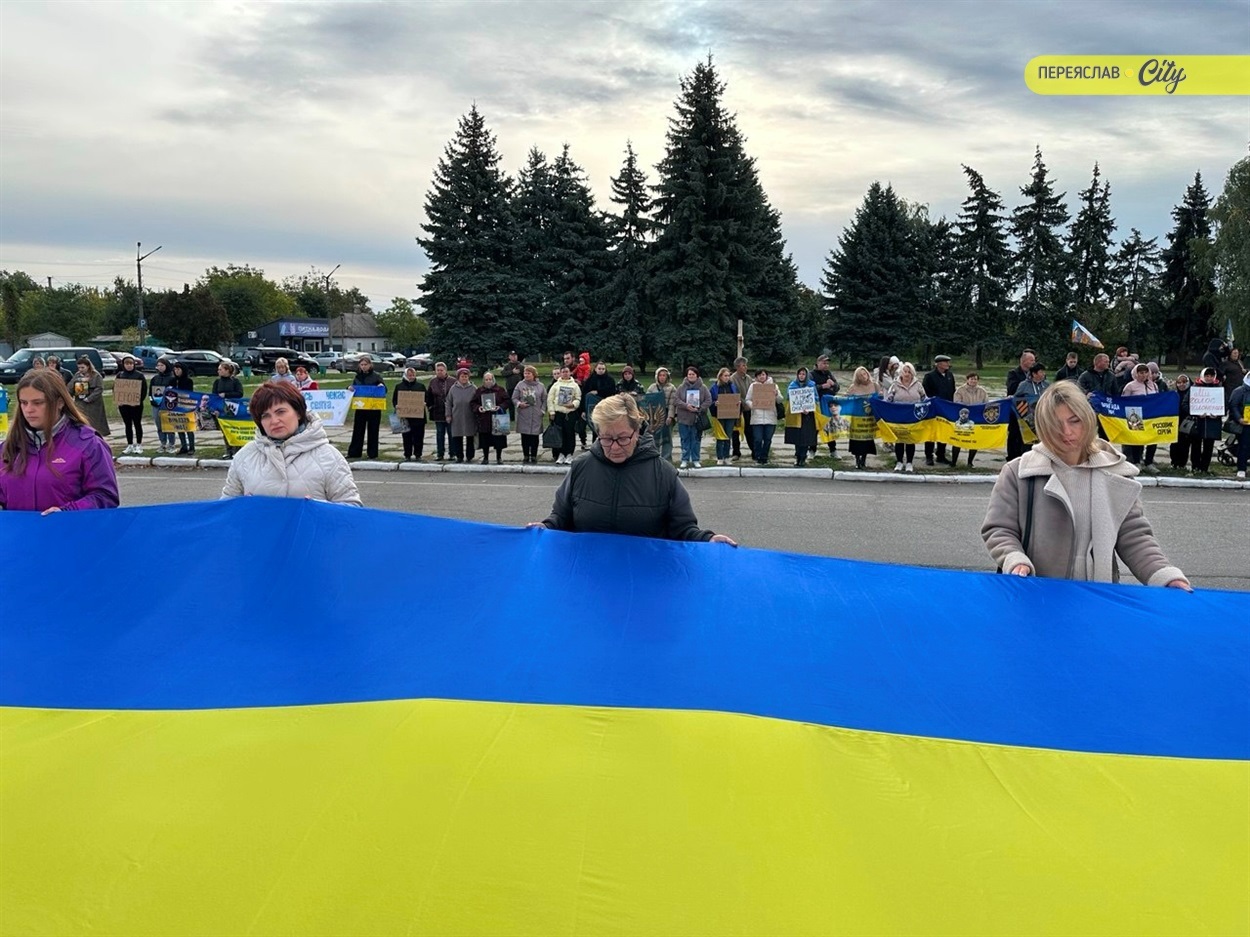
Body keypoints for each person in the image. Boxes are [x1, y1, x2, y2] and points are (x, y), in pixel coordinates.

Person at [981, 381, 1190, 589]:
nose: (1066, 432)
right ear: (1043, 427)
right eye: (1055, 424)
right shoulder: (1018, 472)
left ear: (1088, 419)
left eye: (1074, 421)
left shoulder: (1116, 473)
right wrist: (1015, 559)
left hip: (1097, 599)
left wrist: (1165, 575)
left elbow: (1135, 537)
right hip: (1036, 594)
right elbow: (999, 529)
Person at [528, 392, 736, 544]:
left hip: (643, 581)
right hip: (588, 578)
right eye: (607, 439)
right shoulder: (581, 466)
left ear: (637, 431)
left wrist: (708, 540)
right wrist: (545, 527)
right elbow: (560, 518)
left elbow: (683, 529)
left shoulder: (663, 473)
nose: (615, 447)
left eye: (623, 438)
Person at [221, 381, 360, 505]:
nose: (274, 421)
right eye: (266, 416)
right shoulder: (244, 457)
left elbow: (352, 511)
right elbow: (225, 509)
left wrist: (318, 510)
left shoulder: (329, 457)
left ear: (298, 412)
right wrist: (243, 508)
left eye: (280, 412)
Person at [0, 369, 119, 513]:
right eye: (23, 403)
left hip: (67, 533)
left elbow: (106, 496)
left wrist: (67, 512)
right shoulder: (8, 448)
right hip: (20, 534)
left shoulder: (88, 444)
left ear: (60, 403)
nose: (29, 410)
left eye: (38, 403)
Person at [885, 361, 924, 472]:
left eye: (909, 372)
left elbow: (924, 398)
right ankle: (899, 462)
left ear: (913, 373)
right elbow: (889, 399)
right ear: (901, 373)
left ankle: (909, 463)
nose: (907, 374)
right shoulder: (895, 385)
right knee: (900, 440)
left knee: (910, 441)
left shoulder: (918, 385)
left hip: (913, 418)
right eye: (905, 372)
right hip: (898, 417)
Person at [1120, 362, 1159, 472]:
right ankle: (1137, 461)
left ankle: (1149, 462)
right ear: (1136, 374)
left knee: (1153, 440)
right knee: (1138, 440)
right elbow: (1124, 401)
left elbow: (1157, 400)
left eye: (1146, 372)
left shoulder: (1153, 385)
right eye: (1141, 373)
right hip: (1136, 416)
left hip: (1151, 416)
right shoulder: (1130, 386)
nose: (1144, 375)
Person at [347, 354, 385, 460]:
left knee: (373, 431)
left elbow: (384, 389)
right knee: (358, 430)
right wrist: (349, 388)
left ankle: (372, 453)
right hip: (361, 407)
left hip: (373, 408)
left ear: (370, 365)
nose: (363, 366)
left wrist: (381, 386)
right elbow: (353, 387)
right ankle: (354, 452)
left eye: (365, 364)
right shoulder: (357, 377)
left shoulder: (376, 376)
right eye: (362, 364)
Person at [1188, 368, 1224, 475]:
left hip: (1212, 423)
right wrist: (1195, 412)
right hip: (1198, 422)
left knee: (1209, 447)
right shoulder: (1195, 387)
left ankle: (1204, 468)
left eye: (1211, 376)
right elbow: (1186, 404)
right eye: (1207, 376)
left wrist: (1218, 413)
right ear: (1203, 376)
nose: (1209, 378)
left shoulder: (1219, 388)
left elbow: (1224, 404)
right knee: (1196, 446)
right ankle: (1195, 467)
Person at [949, 371, 988, 468]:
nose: (973, 381)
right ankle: (953, 462)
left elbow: (986, 404)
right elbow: (956, 403)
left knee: (974, 442)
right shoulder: (960, 390)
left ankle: (970, 462)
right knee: (958, 440)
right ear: (967, 380)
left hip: (976, 420)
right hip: (962, 419)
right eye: (971, 379)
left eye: (975, 379)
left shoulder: (982, 391)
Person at [675, 365, 711, 469]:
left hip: (697, 419)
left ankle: (696, 459)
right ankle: (685, 459)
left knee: (696, 440)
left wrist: (700, 408)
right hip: (684, 418)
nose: (691, 376)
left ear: (697, 375)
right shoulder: (681, 388)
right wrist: (686, 406)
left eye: (693, 374)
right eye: (689, 374)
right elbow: (676, 400)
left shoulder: (703, 388)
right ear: (686, 375)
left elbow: (708, 400)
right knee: (684, 439)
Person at [922, 354, 955, 465]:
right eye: (945, 362)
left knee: (943, 433)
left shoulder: (950, 375)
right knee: (931, 433)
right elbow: (926, 392)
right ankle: (929, 455)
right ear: (939, 364)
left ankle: (941, 455)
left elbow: (952, 391)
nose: (948, 364)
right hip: (933, 409)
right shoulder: (929, 376)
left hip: (945, 409)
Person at [511, 365, 547, 464]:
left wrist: (542, 411)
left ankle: (534, 455)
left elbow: (545, 400)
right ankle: (526, 455)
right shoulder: (520, 385)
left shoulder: (540, 386)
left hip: (536, 414)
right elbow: (514, 398)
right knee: (525, 436)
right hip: (524, 414)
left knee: (534, 437)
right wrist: (519, 404)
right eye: (525, 373)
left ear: (534, 374)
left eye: (528, 373)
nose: (526, 375)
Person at [843, 366, 877, 469]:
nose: (864, 376)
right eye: (861, 375)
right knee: (856, 441)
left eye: (865, 373)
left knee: (867, 440)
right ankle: (857, 460)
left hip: (868, 420)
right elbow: (846, 398)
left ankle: (864, 460)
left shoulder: (874, 385)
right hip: (857, 419)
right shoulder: (853, 387)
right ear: (857, 377)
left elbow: (880, 398)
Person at [472, 371, 509, 464]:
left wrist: (500, 407)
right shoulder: (479, 391)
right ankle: (485, 458)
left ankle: (499, 457)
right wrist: (478, 408)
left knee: (499, 439)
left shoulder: (500, 390)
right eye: (486, 379)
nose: (488, 381)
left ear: (493, 380)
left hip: (497, 418)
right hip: (484, 419)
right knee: (485, 439)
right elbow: (473, 403)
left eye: (490, 379)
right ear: (483, 381)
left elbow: (507, 401)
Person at [547, 365, 582, 464]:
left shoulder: (574, 385)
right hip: (559, 413)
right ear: (561, 373)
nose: (565, 373)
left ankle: (569, 454)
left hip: (570, 413)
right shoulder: (555, 385)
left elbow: (578, 398)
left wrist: (573, 404)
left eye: (567, 371)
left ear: (570, 373)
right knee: (560, 434)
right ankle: (561, 454)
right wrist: (552, 412)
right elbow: (550, 399)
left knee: (570, 434)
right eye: (563, 372)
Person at [115, 353, 148, 455]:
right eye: (126, 363)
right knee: (127, 424)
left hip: (136, 405)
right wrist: (118, 400)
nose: (129, 365)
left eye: (131, 363)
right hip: (124, 405)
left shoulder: (139, 375)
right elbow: (116, 389)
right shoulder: (120, 375)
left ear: (134, 364)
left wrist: (137, 401)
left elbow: (144, 390)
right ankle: (129, 444)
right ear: (123, 365)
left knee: (137, 424)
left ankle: (138, 444)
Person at [210, 360, 245, 459]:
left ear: (227, 370)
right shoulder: (217, 382)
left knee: (234, 430)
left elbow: (240, 393)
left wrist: (226, 395)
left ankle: (237, 450)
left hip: (233, 409)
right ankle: (228, 450)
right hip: (221, 410)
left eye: (220, 369)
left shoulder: (235, 381)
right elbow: (214, 396)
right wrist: (215, 409)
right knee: (225, 431)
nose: (218, 371)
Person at [744, 368, 779, 464]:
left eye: (763, 374)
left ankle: (764, 457)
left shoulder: (773, 386)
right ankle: (757, 456)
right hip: (757, 417)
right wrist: (754, 406)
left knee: (767, 439)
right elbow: (747, 399)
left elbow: (780, 400)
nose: (762, 377)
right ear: (756, 377)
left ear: (766, 376)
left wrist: (776, 395)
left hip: (770, 417)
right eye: (759, 375)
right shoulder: (753, 386)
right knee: (758, 439)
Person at [1005, 348, 1036, 459]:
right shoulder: (1013, 374)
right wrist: (1026, 383)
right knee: (1014, 434)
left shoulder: (1035, 374)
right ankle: (1012, 456)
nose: (1034, 363)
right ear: (1024, 361)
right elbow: (1012, 389)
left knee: (1028, 434)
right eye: (1031, 360)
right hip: (1016, 410)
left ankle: (1025, 456)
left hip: (1029, 411)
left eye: (1034, 360)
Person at [785, 366, 818, 467]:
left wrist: (809, 409)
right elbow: (789, 398)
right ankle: (797, 457)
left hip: (808, 417)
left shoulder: (812, 386)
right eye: (800, 374)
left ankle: (803, 457)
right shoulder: (792, 385)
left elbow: (816, 399)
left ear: (806, 375)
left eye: (803, 374)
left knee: (805, 438)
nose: (801, 376)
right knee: (797, 438)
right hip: (795, 416)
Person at [810, 354, 841, 460]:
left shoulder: (829, 374)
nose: (826, 365)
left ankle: (833, 450)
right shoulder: (811, 374)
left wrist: (833, 385)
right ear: (817, 363)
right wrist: (822, 386)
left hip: (828, 405)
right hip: (817, 405)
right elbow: (809, 388)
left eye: (827, 363)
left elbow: (837, 387)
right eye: (824, 363)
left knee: (830, 427)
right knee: (815, 428)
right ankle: (812, 450)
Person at [71, 356, 110, 438]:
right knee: (82, 421)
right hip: (80, 402)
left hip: (93, 404)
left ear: (88, 366)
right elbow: (70, 387)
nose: (81, 369)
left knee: (94, 423)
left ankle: (96, 438)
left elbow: (99, 388)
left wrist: (90, 398)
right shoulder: (77, 375)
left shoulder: (96, 375)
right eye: (79, 367)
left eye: (82, 367)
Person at [392, 366, 427, 461]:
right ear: (405, 375)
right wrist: (396, 406)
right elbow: (394, 400)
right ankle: (407, 454)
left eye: (413, 375)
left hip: (418, 417)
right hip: (405, 416)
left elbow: (427, 398)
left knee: (418, 436)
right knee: (406, 436)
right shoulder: (399, 386)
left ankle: (418, 454)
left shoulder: (420, 386)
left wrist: (424, 403)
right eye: (409, 375)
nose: (411, 377)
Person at [446, 366, 478, 463]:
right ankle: (459, 456)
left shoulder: (473, 388)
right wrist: (448, 415)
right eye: (462, 376)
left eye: (466, 376)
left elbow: (478, 401)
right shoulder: (453, 389)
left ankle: (469, 456)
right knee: (457, 436)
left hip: (470, 416)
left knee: (470, 437)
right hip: (457, 416)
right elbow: (448, 402)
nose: (464, 378)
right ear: (458, 377)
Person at [646, 366, 677, 461]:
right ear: (657, 376)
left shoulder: (671, 388)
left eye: (664, 375)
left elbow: (672, 404)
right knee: (654, 437)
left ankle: (666, 458)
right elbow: (647, 401)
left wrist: (670, 417)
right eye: (660, 375)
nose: (662, 377)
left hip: (667, 413)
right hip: (655, 415)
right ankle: (654, 457)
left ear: (667, 376)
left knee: (667, 438)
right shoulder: (652, 387)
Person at [709, 367, 737, 466]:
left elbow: (735, 397)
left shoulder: (732, 386)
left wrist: (737, 403)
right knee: (720, 437)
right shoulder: (714, 387)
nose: (727, 377)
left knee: (728, 436)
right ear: (720, 376)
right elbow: (710, 401)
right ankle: (720, 457)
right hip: (719, 415)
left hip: (730, 415)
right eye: (725, 375)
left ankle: (726, 456)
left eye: (728, 376)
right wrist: (714, 403)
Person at [149, 356, 178, 453]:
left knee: (169, 424)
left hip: (167, 405)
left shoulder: (172, 378)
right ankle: (163, 443)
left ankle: (172, 444)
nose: (160, 367)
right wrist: (152, 400)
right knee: (159, 425)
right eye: (158, 365)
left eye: (162, 365)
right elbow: (150, 391)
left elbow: (175, 392)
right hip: (156, 405)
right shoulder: (155, 378)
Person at [426, 361, 454, 461]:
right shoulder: (432, 382)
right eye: (438, 370)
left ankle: (452, 453)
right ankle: (440, 454)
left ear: (445, 371)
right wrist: (430, 407)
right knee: (440, 434)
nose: (439, 372)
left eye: (441, 370)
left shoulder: (452, 381)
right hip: (437, 412)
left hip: (451, 412)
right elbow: (428, 396)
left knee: (451, 433)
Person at [730, 356, 753, 461]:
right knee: (735, 432)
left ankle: (754, 451)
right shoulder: (732, 379)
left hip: (748, 410)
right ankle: (736, 453)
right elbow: (735, 394)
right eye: (743, 365)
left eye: (746, 365)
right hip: (737, 409)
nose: (745, 367)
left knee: (750, 431)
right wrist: (745, 403)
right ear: (737, 367)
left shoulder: (748, 378)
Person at [170, 360, 196, 454]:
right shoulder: (172, 380)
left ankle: (192, 447)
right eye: (175, 369)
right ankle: (183, 446)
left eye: (178, 369)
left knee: (188, 427)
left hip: (185, 406)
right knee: (179, 427)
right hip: (175, 406)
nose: (176, 371)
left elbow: (189, 393)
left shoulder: (188, 381)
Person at [1229, 371, 1250, 479]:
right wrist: (1239, 418)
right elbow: (1233, 406)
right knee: (1244, 446)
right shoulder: (1239, 391)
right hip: (1244, 424)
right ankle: (1241, 469)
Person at [1170, 373, 1193, 470]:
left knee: (1185, 444)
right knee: (1174, 443)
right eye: (1179, 382)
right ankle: (1174, 462)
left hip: (1187, 422)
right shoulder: (1173, 394)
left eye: (1184, 382)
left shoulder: (1193, 394)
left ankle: (1182, 464)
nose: (1181, 385)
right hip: (1175, 422)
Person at [499, 351, 524, 419]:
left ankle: (521, 416)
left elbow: (524, 376)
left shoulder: (521, 366)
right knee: (510, 402)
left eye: (515, 355)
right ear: (509, 357)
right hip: (510, 387)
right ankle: (512, 417)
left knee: (521, 401)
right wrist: (512, 372)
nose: (514, 357)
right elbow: (503, 373)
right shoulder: (507, 366)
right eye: (512, 356)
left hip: (520, 388)